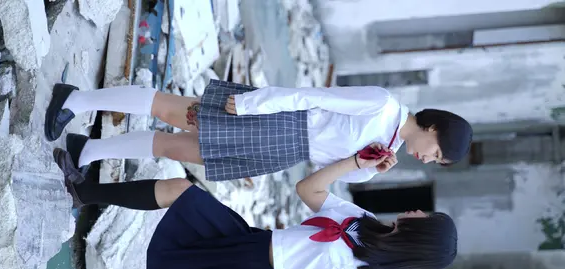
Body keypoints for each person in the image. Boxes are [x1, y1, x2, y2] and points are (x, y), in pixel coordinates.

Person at [5, 144, 458, 269]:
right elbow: (309, 190)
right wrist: (354, 163)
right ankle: (83, 191)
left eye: (425, 218)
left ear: (422, 238)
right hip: (248, 244)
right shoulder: (365, 224)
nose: (417, 211)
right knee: (181, 191)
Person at [44, 80, 473, 183]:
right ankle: (76, 100)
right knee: (174, 110)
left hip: (283, 151)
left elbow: (327, 170)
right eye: (437, 153)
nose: (428, 160)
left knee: (178, 151)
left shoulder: (386, 151)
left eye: (436, 162)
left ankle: (88, 151)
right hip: (278, 119)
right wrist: (253, 103)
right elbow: (312, 96)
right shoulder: (383, 105)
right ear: (434, 128)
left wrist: (364, 168)